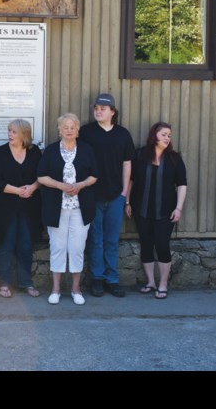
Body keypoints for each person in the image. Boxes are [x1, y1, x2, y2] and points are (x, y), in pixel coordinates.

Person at [37, 113, 98, 305]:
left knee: (77, 248)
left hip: (80, 208)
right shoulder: (51, 150)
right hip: (57, 208)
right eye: (66, 127)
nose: (69, 130)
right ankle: (55, 290)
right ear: (59, 130)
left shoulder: (87, 150)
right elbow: (41, 177)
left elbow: (95, 176)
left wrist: (80, 185)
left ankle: (76, 289)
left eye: (73, 127)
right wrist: (60, 185)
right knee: (58, 247)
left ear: (78, 130)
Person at [78, 92, 134, 298]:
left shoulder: (122, 134)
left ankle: (112, 279)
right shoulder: (85, 132)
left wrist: (124, 192)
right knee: (95, 239)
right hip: (92, 195)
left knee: (111, 239)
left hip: (115, 196)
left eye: (102, 108)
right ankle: (97, 279)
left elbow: (127, 163)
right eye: (96, 108)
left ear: (112, 111)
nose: (98, 111)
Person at [127, 122, 187, 300]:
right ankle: (151, 282)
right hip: (141, 208)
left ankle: (163, 284)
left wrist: (179, 208)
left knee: (162, 244)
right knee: (146, 243)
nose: (167, 138)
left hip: (166, 210)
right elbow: (131, 179)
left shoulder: (175, 159)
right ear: (154, 136)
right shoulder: (140, 155)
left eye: (169, 135)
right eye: (163, 134)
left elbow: (182, 184)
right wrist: (127, 202)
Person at [0, 119, 42, 298]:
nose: (10, 134)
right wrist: (18, 190)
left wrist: (32, 187)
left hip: (29, 206)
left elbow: (42, 175)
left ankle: (27, 283)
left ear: (24, 134)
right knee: (5, 244)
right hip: (3, 207)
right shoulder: (1, 152)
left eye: (14, 132)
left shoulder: (34, 153)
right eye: (9, 131)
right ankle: (3, 284)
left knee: (26, 244)